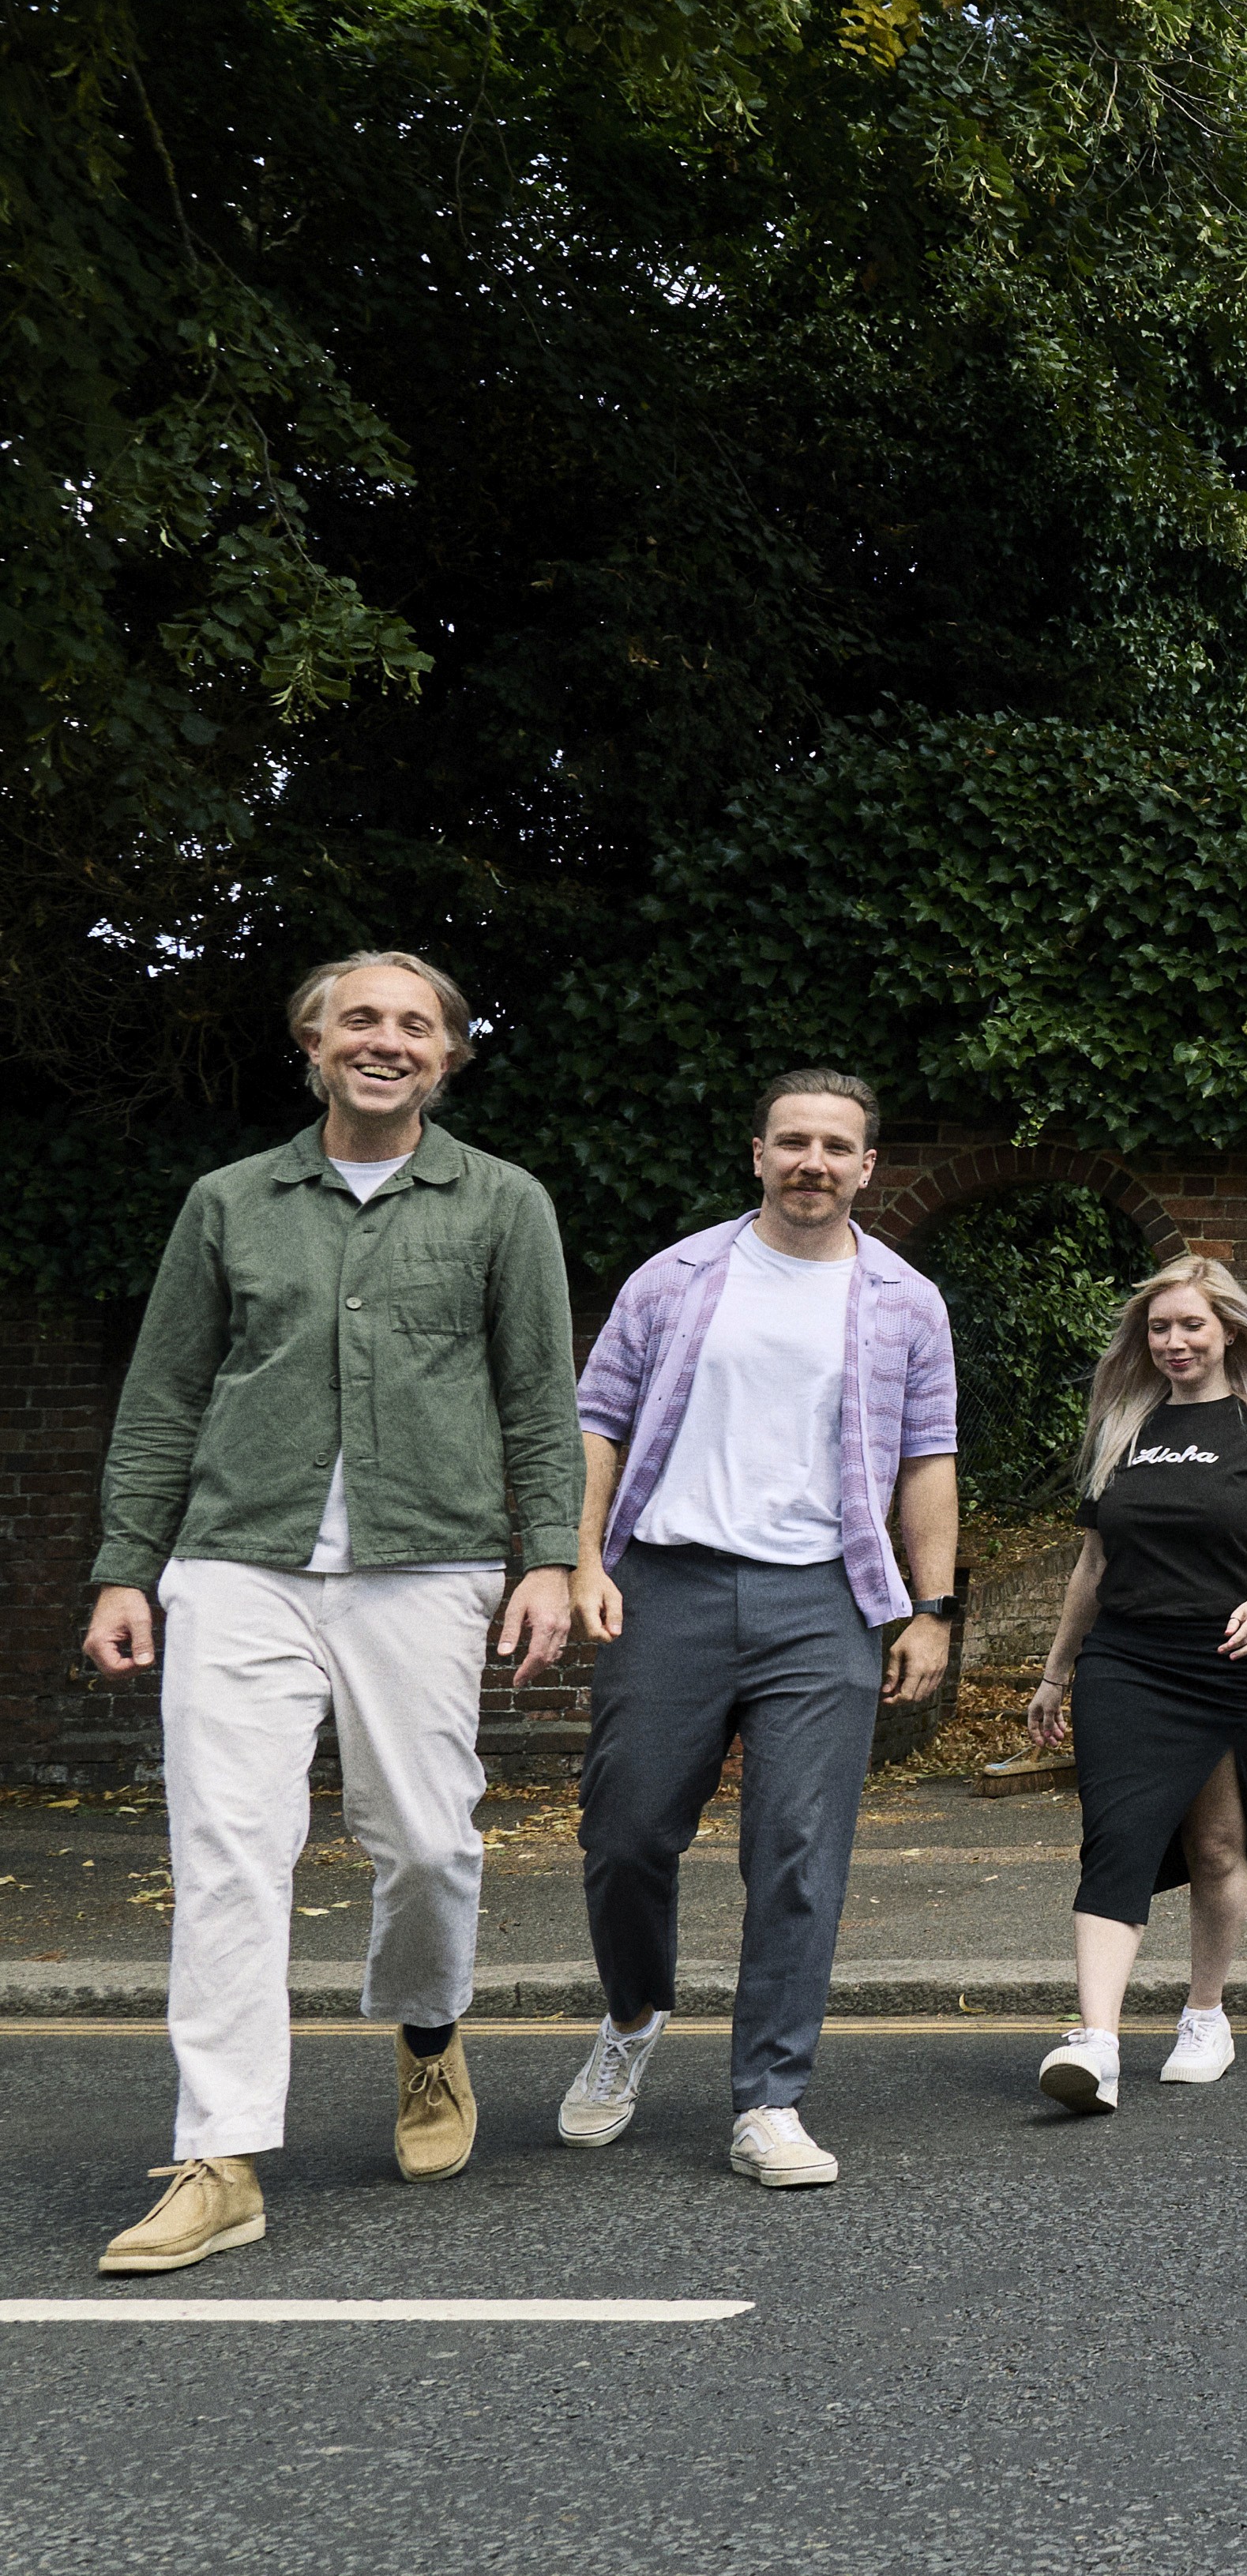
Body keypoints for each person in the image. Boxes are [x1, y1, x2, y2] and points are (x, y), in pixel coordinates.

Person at [85, 951, 582, 2275]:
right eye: (358, 1017)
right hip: (238, 1559)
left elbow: (541, 1398)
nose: (385, 1038)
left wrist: (550, 1558)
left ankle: (427, 2037)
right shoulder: (230, 1203)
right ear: (310, 1043)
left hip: (428, 1565)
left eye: (414, 1024)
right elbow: (164, 1395)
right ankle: (222, 2154)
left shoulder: (501, 1203)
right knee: (229, 1849)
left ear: (449, 1055)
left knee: (426, 1844)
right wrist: (126, 1567)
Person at [562, 1069, 960, 2188]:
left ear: (867, 1165)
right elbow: (596, 1419)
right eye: (794, 1140)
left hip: (822, 1596)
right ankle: (633, 2014)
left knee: (798, 1852)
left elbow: (929, 1457)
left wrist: (929, 1609)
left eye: (838, 1145)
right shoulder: (679, 1276)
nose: (813, 1161)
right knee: (627, 1832)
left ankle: (769, 2098)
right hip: (668, 1585)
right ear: (757, 1152)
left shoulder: (904, 1300)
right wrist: (584, 1556)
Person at [1023, 1255, 1247, 2115]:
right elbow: (1092, 1564)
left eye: (1191, 1324)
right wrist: (1056, 1670)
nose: (1174, 1341)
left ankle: (1204, 2013)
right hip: (1126, 1659)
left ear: (1229, 1328)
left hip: (1232, 1656)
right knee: (1115, 1836)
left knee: (1218, 1844)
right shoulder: (1122, 1426)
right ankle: (1098, 2042)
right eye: (1159, 1327)